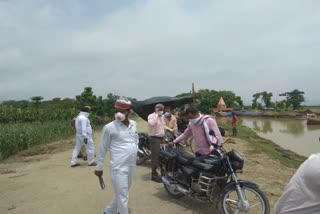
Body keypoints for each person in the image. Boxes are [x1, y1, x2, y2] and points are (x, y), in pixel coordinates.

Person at [94, 97, 138, 214]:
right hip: (118, 167)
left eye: (122, 111)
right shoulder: (109, 127)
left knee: (122, 192)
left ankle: (109, 211)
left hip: (131, 165)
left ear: (129, 111)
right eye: (116, 111)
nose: (118, 114)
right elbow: (103, 148)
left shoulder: (133, 124)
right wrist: (99, 168)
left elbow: (136, 140)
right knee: (123, 196)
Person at [148, 103, 165, 183]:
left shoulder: (162, 117)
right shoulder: (151, 116)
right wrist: (156, 115)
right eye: (159, 109)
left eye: (162, 109)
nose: (161, 111)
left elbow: (163, 127)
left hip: (162, 138)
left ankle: (162, 173)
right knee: (155, 157)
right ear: (156, 109)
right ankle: (154, 175)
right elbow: (152, 124)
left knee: (162, 156)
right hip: (155, 139)